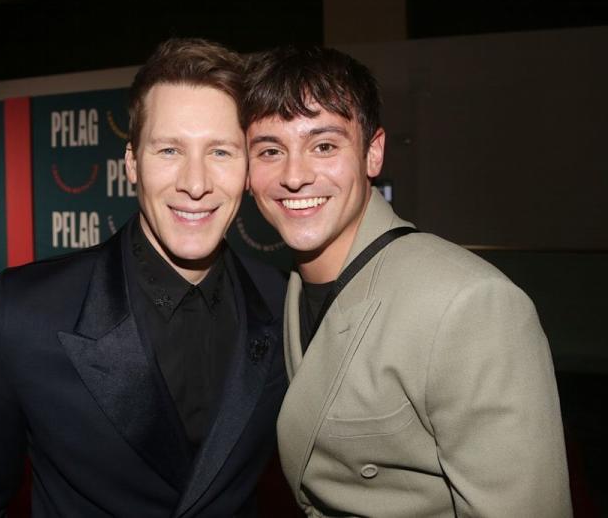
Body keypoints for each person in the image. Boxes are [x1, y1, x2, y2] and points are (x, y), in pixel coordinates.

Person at [0, 38, 288, 517]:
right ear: (131, 164)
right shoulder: (23, 312)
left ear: (248, 168)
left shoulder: (283, 300)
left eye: (221, 152)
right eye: (169, 150)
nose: (196, 182)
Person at [243, 45, 572, 517]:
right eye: (271, 150)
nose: (295, 176)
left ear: (372, 152)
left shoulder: (468, 303)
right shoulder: (286, 292)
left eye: (324, 145)